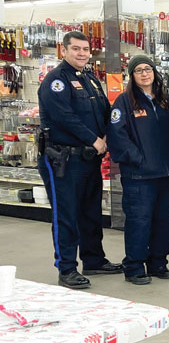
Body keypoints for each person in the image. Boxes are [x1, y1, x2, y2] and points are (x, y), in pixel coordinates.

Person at [37, 30, 121, 289]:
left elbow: (105, 111)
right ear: (64, 50)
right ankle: (66, 268)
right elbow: (63, 116)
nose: (82, 53)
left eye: (85, 49)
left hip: (89, 158)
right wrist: (94, 139)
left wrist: (108, 133)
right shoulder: (56, 81)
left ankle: (94, 260)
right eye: (76, 49)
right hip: (63, 160)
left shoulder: (90, 79)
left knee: (90, 211)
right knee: (66, 214)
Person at [107, 55, 169, 285]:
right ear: (132, 76)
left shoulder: (165, 101)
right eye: (138, 70)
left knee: (163, 221)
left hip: (166, 173)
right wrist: (138, 159)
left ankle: (158, 263)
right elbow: (117, 136)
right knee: (139, 222)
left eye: (148, 69)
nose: (144, 74)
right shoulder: (124, 102)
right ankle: (134, 266)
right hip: (139, 176)